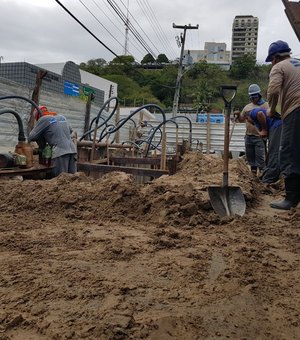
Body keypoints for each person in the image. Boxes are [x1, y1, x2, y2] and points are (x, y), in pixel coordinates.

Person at [265, 40, 300, 210]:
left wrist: (271, 109)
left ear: (274, 58)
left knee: (288, 151)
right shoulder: (298, 63)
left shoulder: (279, 67)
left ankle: (291, 199)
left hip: (296, 109)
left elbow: (273, 90)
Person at [28, 105, 77, 177]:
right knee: (73, 180)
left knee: (61, 180)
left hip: (60, 152)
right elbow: (70, 131)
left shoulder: (43, 119)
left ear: (37, 116)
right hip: (72, 151)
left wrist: (42, 138)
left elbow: (31, 136)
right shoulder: (61, 117)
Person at [235, 84, 269, 176]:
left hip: (259, 137)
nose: (253, 99)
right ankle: (253, 175)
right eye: (252, 97)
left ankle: (263, 176)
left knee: (260, 158)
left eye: (255, 97)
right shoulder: (247, 107)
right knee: (251, 158)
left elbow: (268, 120)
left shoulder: (265, 106)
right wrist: (238, 115)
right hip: (249, 136)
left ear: (259, 95)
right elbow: (241, 119)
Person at [244, 107, 282, 183]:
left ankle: (269, 179)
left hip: (277, 127)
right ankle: (268, 175)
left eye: (247, 120)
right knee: (272, 152)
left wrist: (264, 129)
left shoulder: (252, 112)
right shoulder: (255, 123)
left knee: (274, 153)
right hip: (275, 128)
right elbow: (262, 133)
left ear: (247, 117)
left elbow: (260, 113)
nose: (248, 122)